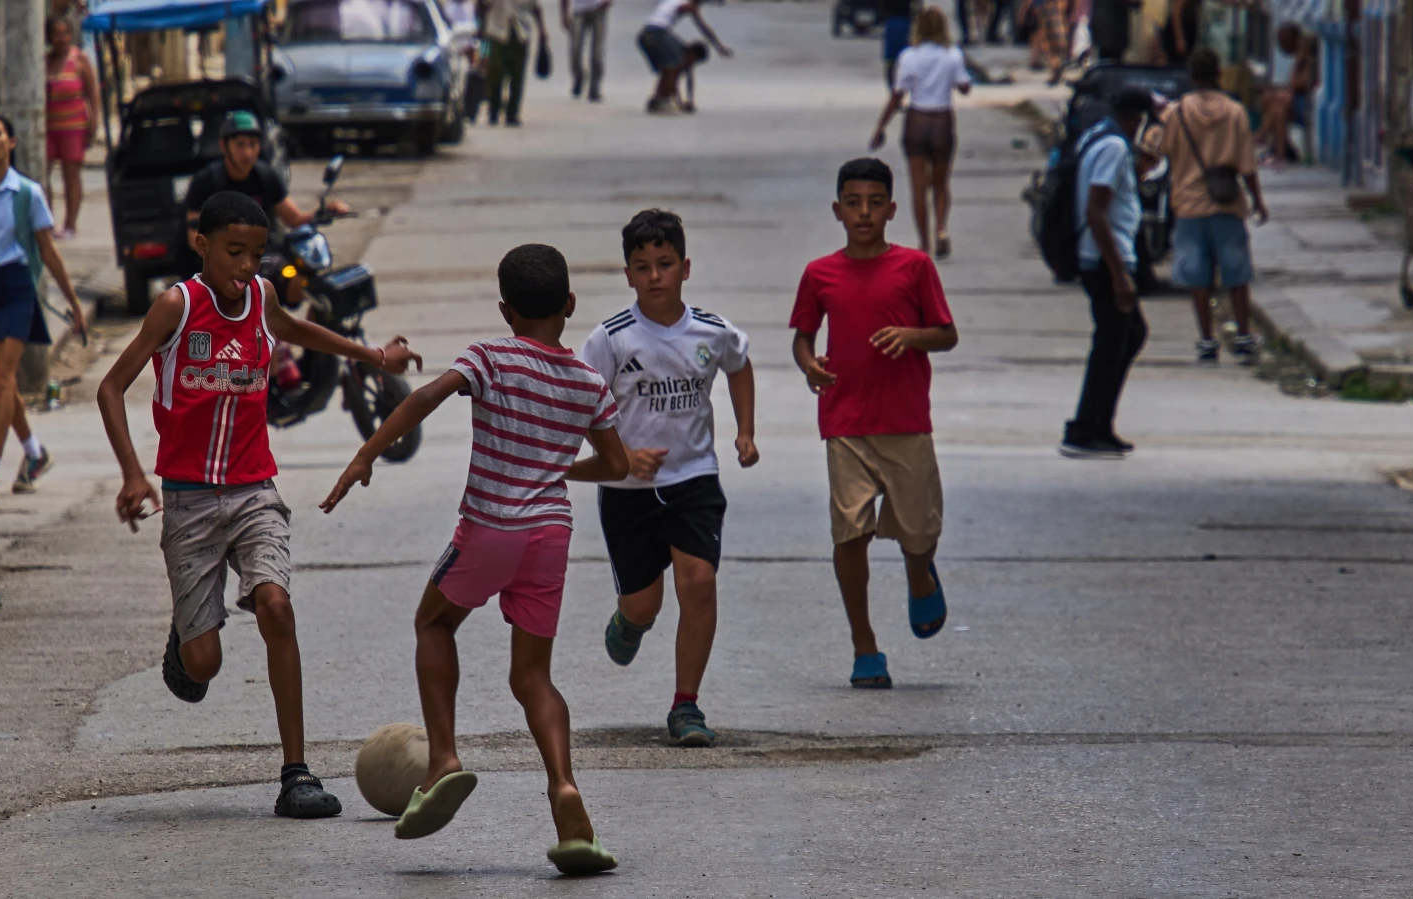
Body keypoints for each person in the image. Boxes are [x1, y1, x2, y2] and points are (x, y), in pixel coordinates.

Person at [96, 191, 419, 819]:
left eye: (256, 254)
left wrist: (375, 356)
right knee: (203, 665)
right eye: (233, 252)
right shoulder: (177, 307)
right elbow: (111, 386)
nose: (246, 266)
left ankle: (295, 773)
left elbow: (297, 330)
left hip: (253, 491)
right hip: (187, 501)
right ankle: (189, 633)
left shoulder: (264, 300)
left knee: (276, 606)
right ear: (203, 246)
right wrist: (133, 474)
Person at [319, 244, 628, 875]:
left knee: (433, 622)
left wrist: (366, 454)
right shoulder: (589, 383)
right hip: (550, 534)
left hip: (490, 528)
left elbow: (424, 398)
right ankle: (565, 789)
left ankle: (444, 759)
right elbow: (618, 465)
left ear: (505, 309)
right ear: (568, 305)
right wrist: (562, 467)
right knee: (533, 677)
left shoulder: (490, 355)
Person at [576, 210, 757, 748]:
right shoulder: (610, 340)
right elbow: (584, 404)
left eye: (665, 264)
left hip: (694, 479)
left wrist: (745, 432)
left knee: (698, 582)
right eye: (642, 266)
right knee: (644, 604)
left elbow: (739, 365)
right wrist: (619, 454)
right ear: (628, 275)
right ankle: (629, 621)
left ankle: (686, 705)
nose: (655, 276)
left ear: (685, 268)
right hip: (628, 491)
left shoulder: (712, 331)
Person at [789, 158, 958, 689]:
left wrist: (911, 337)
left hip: (905, 421)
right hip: (845, 423)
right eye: (853, 203)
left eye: (874, 203)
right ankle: (865, 646)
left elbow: (946, 334)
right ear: (837, 210)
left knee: (920, 530)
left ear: (891, 209)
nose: (864, 213)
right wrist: (809, 363)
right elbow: (803, 335)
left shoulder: (915, 268)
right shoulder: (820, 274)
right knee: (849, 534)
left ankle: (917, 571)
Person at [0, 113, 86, 500]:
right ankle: (35, 453)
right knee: (1, 381)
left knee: (2, 376)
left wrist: (72, 301)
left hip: (18, 286)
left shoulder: (27, 193)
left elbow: (48, 250)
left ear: (11, 142)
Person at [1060, 87, 1156, 459]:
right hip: (1104, 260)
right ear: (1138, 119)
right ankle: (1085, 428)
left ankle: (1099, 424)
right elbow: (1096, 210)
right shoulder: (1114, 147)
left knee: (1127, 336)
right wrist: (1119, 275)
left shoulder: (1099, 135)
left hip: (1104, 257)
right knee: (1113, 342)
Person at [1157, 48, 1268, 364]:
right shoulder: (1235, 113)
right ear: (1218, 73)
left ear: (1193, 76)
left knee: (1198, 278)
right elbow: (1247, 164)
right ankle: (1244, 337)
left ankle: (1207, 340)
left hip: (1189, 205)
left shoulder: (1177, 113)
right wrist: (1258, 201)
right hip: (1227, 203)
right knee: (1237, 273)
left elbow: (1161, 148)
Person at [870, 7, 972, 260]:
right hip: (942, 122)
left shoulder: (908, 57)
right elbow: (965, 87)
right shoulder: (952, 55)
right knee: (940, 183)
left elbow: (897, 95)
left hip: (916, 121)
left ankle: (924, 243)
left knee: (918, 186)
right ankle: (941, 228)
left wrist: (881, 127)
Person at [183, 111, 349, 251]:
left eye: (253, 144)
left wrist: (326, 210)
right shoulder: (206, 181)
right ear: (223, 146)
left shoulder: (265, 176)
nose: (247, 152)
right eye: (240, 145)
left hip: (258, 259)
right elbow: (194, 238)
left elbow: (294, 220)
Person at [44, 16, 98, 240]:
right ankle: (46, 224)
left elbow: (92, 94)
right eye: (57, 33)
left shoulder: (80, 59)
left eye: (65, 33)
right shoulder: (44, 61)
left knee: (71, 176)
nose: (62, 38)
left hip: (74, 127)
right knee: (42, 176)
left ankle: (70, 225)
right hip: (47, 129)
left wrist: (93, 125)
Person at [636, 0, 731, 114]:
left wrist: (688, 101)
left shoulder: (683, 49)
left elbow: (689, 76)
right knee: (674, 66)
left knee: (669, 68)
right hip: (656, 33)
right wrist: (719, 46)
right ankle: (663, 101)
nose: (699, 7)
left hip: (646, 34)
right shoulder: (686, 5)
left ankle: (658, 99)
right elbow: (703, 27)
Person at [1255, 23, 1318, 165]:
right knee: (1273, 102)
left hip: (1307, 103)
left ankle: (1267, 140)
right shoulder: (1299, 59)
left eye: (1283, 41)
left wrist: (1300, 60)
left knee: (1279, 106)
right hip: (1298, 99)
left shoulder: (1309, 60)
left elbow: (1299, 83)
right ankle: (1278, 150)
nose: (1281, 47)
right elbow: (1293, 83)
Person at [480, 0, 546, 126]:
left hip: (520, 33)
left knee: (517, 74)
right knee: (495, 72)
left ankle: (512, 113)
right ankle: (494, 109)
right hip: (497, 31)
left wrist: (542, 30)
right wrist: (481, 28)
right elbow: (484, 5)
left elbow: (536, 8)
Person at [562, 0, 610, 102]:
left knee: (597, 52)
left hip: (599, 9)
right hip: (578, 11)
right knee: (575, 49)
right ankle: (579, 77)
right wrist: (564, 15)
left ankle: (594, 89)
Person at [881, 0, 915, 88]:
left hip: (893, 20)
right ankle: (901, 89)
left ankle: (893, 90)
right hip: (905, 21)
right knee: (906, 58)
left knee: (891, 61)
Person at [1159, 0, 1199, 66]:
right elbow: (1176, 13)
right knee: (1177, 64)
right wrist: (1179, 38)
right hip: (1179, 31)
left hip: (1189, 28)